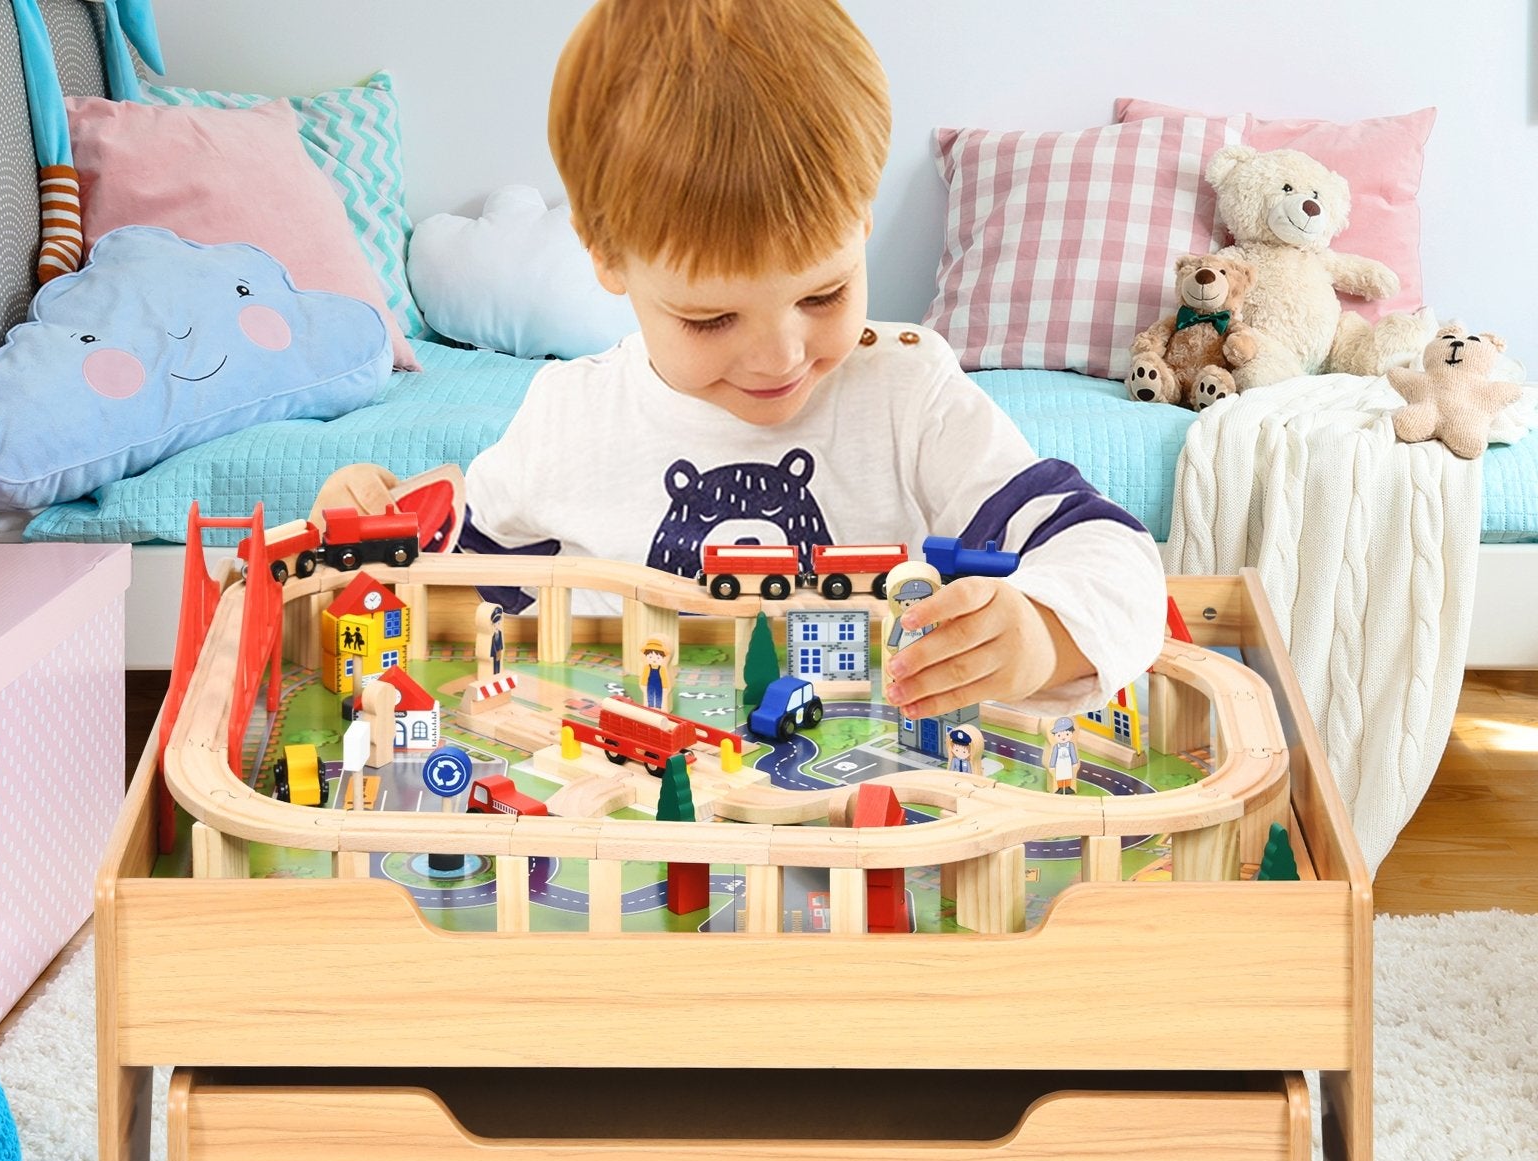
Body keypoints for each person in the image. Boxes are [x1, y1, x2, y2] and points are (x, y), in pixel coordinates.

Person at [459, 0, 1165, 721]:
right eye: (713, 318)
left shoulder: (908, 394)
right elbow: (455, 589)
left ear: (862, 220)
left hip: (868, 808)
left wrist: (1041, 634)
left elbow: (1109, 550)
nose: (780, 357)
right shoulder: (568, 416)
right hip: (642, 807)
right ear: (608, 258)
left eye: (824, 294)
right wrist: (380, 523)